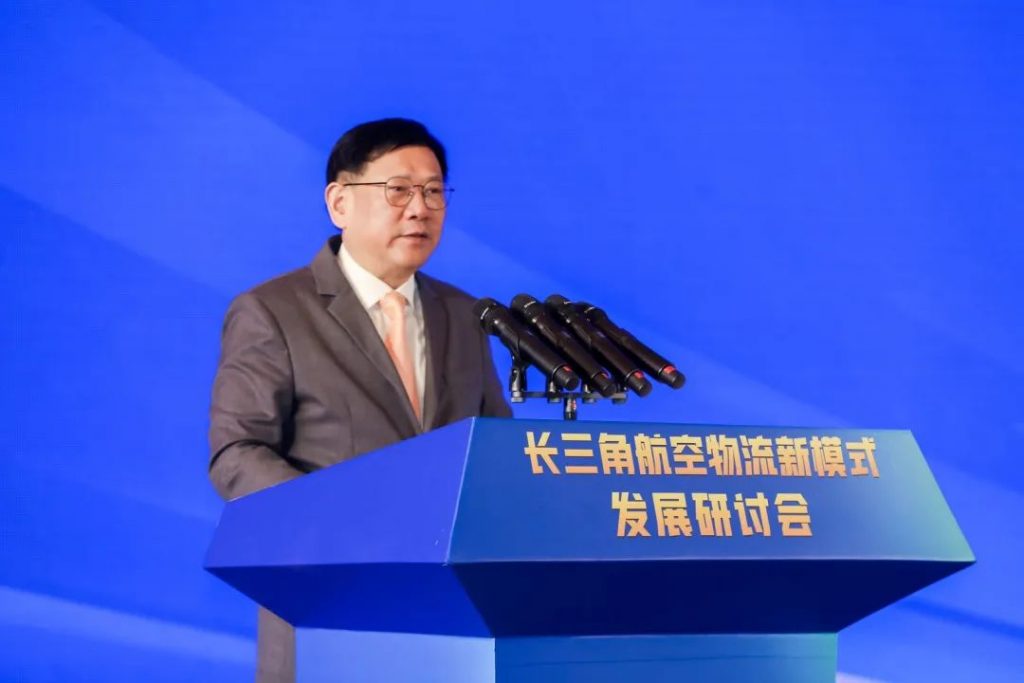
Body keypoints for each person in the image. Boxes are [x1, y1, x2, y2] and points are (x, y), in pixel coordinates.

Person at [208, 117, 513, 683]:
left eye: (434, 191)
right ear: (339, 202)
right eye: (399, 190)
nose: (420, 209)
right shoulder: (273, 311)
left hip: (449, 617)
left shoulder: (464, 313)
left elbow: (495, 449)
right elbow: (237, 452)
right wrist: (339, 522)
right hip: (329, 607)